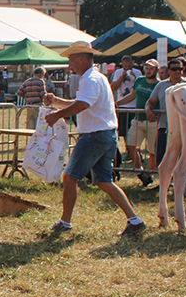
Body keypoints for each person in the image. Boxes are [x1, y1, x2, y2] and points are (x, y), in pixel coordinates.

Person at [43, 41, 146, 236]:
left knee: (69, 176)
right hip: (106, 135)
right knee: (104, 181)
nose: (70, 65)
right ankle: (134, 220)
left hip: (94, 136)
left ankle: (65, 222)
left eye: (71, 60)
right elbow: (81, 102)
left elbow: (83, 105)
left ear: (81, 58)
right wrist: (57, 102)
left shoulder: (89, 79)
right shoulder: (97, 77)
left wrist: (57, 114)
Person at [115, 58, 160, 187]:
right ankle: (140, 171)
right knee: (130, 145)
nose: (148, 70)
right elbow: (132, 96)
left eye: (151, 68)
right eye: (146, 68)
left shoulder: (159, 84)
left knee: (152, 151)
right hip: (137, 119)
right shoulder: (139, 80)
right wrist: (116, 103)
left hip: (152, 121)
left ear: (156, 70)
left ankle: (150, 175)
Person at [147, 56, 186, 167]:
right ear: (169, 71)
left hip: (183, 128)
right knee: (160, 159)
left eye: (180, 69)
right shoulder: (161, 85)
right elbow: (150, 102)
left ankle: (177, 183)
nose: (178, 71)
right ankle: (163, 183)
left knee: (181, 159)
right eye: (174, 69)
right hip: (164, 127)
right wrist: (148, 110)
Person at [110, 55, 141, 142]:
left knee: (134, 131)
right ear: (122, 64)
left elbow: (140, 87)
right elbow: (113, 87)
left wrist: (135, 77)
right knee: (123, 131)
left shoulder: (138, 72)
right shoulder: (118, 72)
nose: (127, 68)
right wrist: (121, 77)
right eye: (125, 66)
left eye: (129, 66)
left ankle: (133, 150)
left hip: (134, 106)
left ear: (132, 64)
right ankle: (127, 148)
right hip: (123, 105)